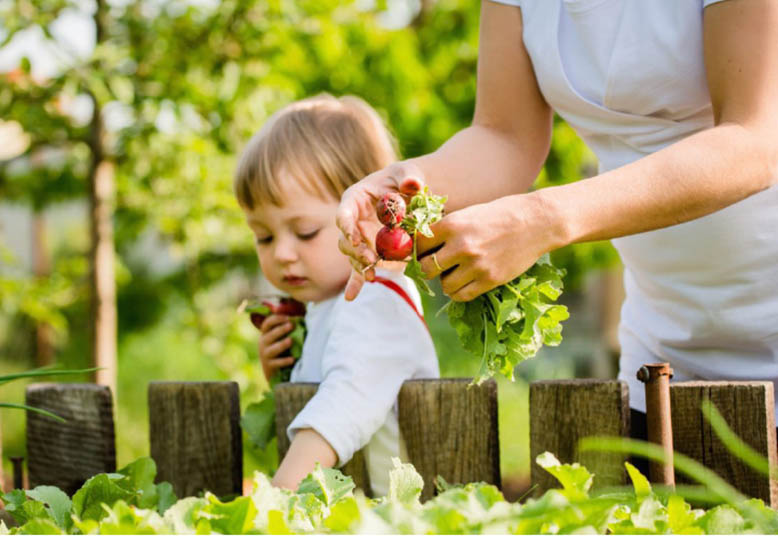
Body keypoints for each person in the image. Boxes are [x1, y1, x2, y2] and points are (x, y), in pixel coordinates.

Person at [336, 0, 778, 432]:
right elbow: (505, 137)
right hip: (664, 339)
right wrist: (408, 183)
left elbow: (754, 141)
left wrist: (544, 218)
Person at [234, 94, 439, 495]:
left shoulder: (378, 301)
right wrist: (284, 378)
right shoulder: (327, 310)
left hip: (392, 518)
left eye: (306, 232)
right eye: (263, 236)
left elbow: (346, 403)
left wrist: (281, 497)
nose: (282, 253)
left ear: (364, 215)